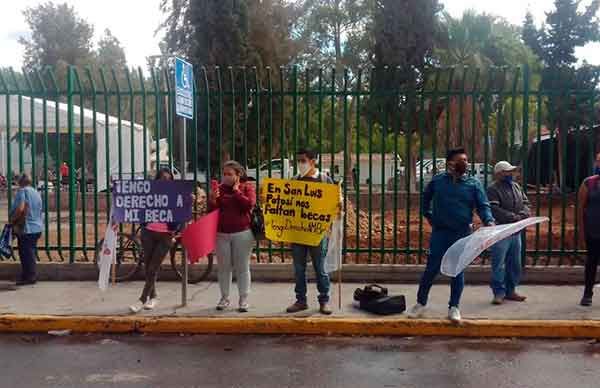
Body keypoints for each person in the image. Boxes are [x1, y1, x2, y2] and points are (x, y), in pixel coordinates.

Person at [408, 148, 495, 323]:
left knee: (457, 271)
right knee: (431, 270)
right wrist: (429, 215)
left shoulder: (473, 184)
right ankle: (420, 303)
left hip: (462, 234)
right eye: (460, 160)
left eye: (466, 159)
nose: (464, 163)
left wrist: (489, 220)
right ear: (450, 163)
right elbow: (425, 200)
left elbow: (483, 205)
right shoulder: (438, 182)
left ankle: (454, 307)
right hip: (441, 233)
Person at [286, 149, 336, 315]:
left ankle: (324, 300)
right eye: (298, 160)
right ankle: (301, 300)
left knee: (320, 268)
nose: (300, 164)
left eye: (303, 160)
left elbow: (335, 203)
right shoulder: (294, 180)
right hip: (298, 232)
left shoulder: (324, 180)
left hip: (317, 233)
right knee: (299, 269)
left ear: (313, 161)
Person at [129, 168, 182, 313]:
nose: (165, 181)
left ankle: (142, 299)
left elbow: (180, 215)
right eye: (162, 178)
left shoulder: (175, 195)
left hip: (165, 235)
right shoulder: (148, 194)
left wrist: (187, 200)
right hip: (148, 233)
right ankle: (154, 297)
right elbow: (137, 207)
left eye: (168, 179)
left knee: (153, 267)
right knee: (148, 267)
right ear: (156, 180)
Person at [210, 161, 256, 312]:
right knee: (224, 268)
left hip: (242, 233)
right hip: (221, 233)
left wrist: (237, 191)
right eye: (224, 174)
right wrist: (212, 200)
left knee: (242, 267)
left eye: (229, 174)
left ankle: (243, 298)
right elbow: (212, 212)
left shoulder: (246, 187)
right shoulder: (219, 189)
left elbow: (248, 205)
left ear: (238, 175)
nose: (226, 177)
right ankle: (224, 298)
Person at [487, 161, 530, 305]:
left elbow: (526, 203)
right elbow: (494, 209)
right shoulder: (493, 189)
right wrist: (513, 217)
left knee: (515, 263)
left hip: (515, 231)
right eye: (507, 171)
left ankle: (511, 290)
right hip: (501, 231)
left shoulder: (516, 186)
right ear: (499, 174)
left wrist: (524, 214)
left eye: (511, 171)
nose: (510, 173)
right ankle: (498, 292)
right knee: (498, 264)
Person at [10, 174, 43, 286]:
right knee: (30, 252)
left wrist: (12, 219)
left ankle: (29, 277)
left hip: (27, 228)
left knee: (25, 253)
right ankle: (28, 275)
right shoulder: (36, 193)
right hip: (37, 227)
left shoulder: (22, 191)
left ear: (21, 182)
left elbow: (21, 208)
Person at [578, 152, 600, 307]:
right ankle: (587, 294)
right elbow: (580, 209)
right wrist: (581, 233)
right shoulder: (588, 183)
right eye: (598, 161)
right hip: (593, 231)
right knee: (591, 263)